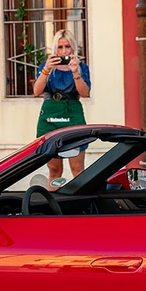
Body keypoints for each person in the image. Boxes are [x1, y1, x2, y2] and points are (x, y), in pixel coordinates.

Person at [33, 29, 91, 185]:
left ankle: (80, 206)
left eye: (67, 46)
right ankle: (55, 205)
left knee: (78, 169)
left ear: (73, 47)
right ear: (55, 49)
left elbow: (85, 93)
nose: (64, 51)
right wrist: (46, 70)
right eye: (60, 47)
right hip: (50, 114)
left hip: (72, 112)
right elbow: (36, 92)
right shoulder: (46, 67)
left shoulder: (81, 67)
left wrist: (75, 72)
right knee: (54, 170)